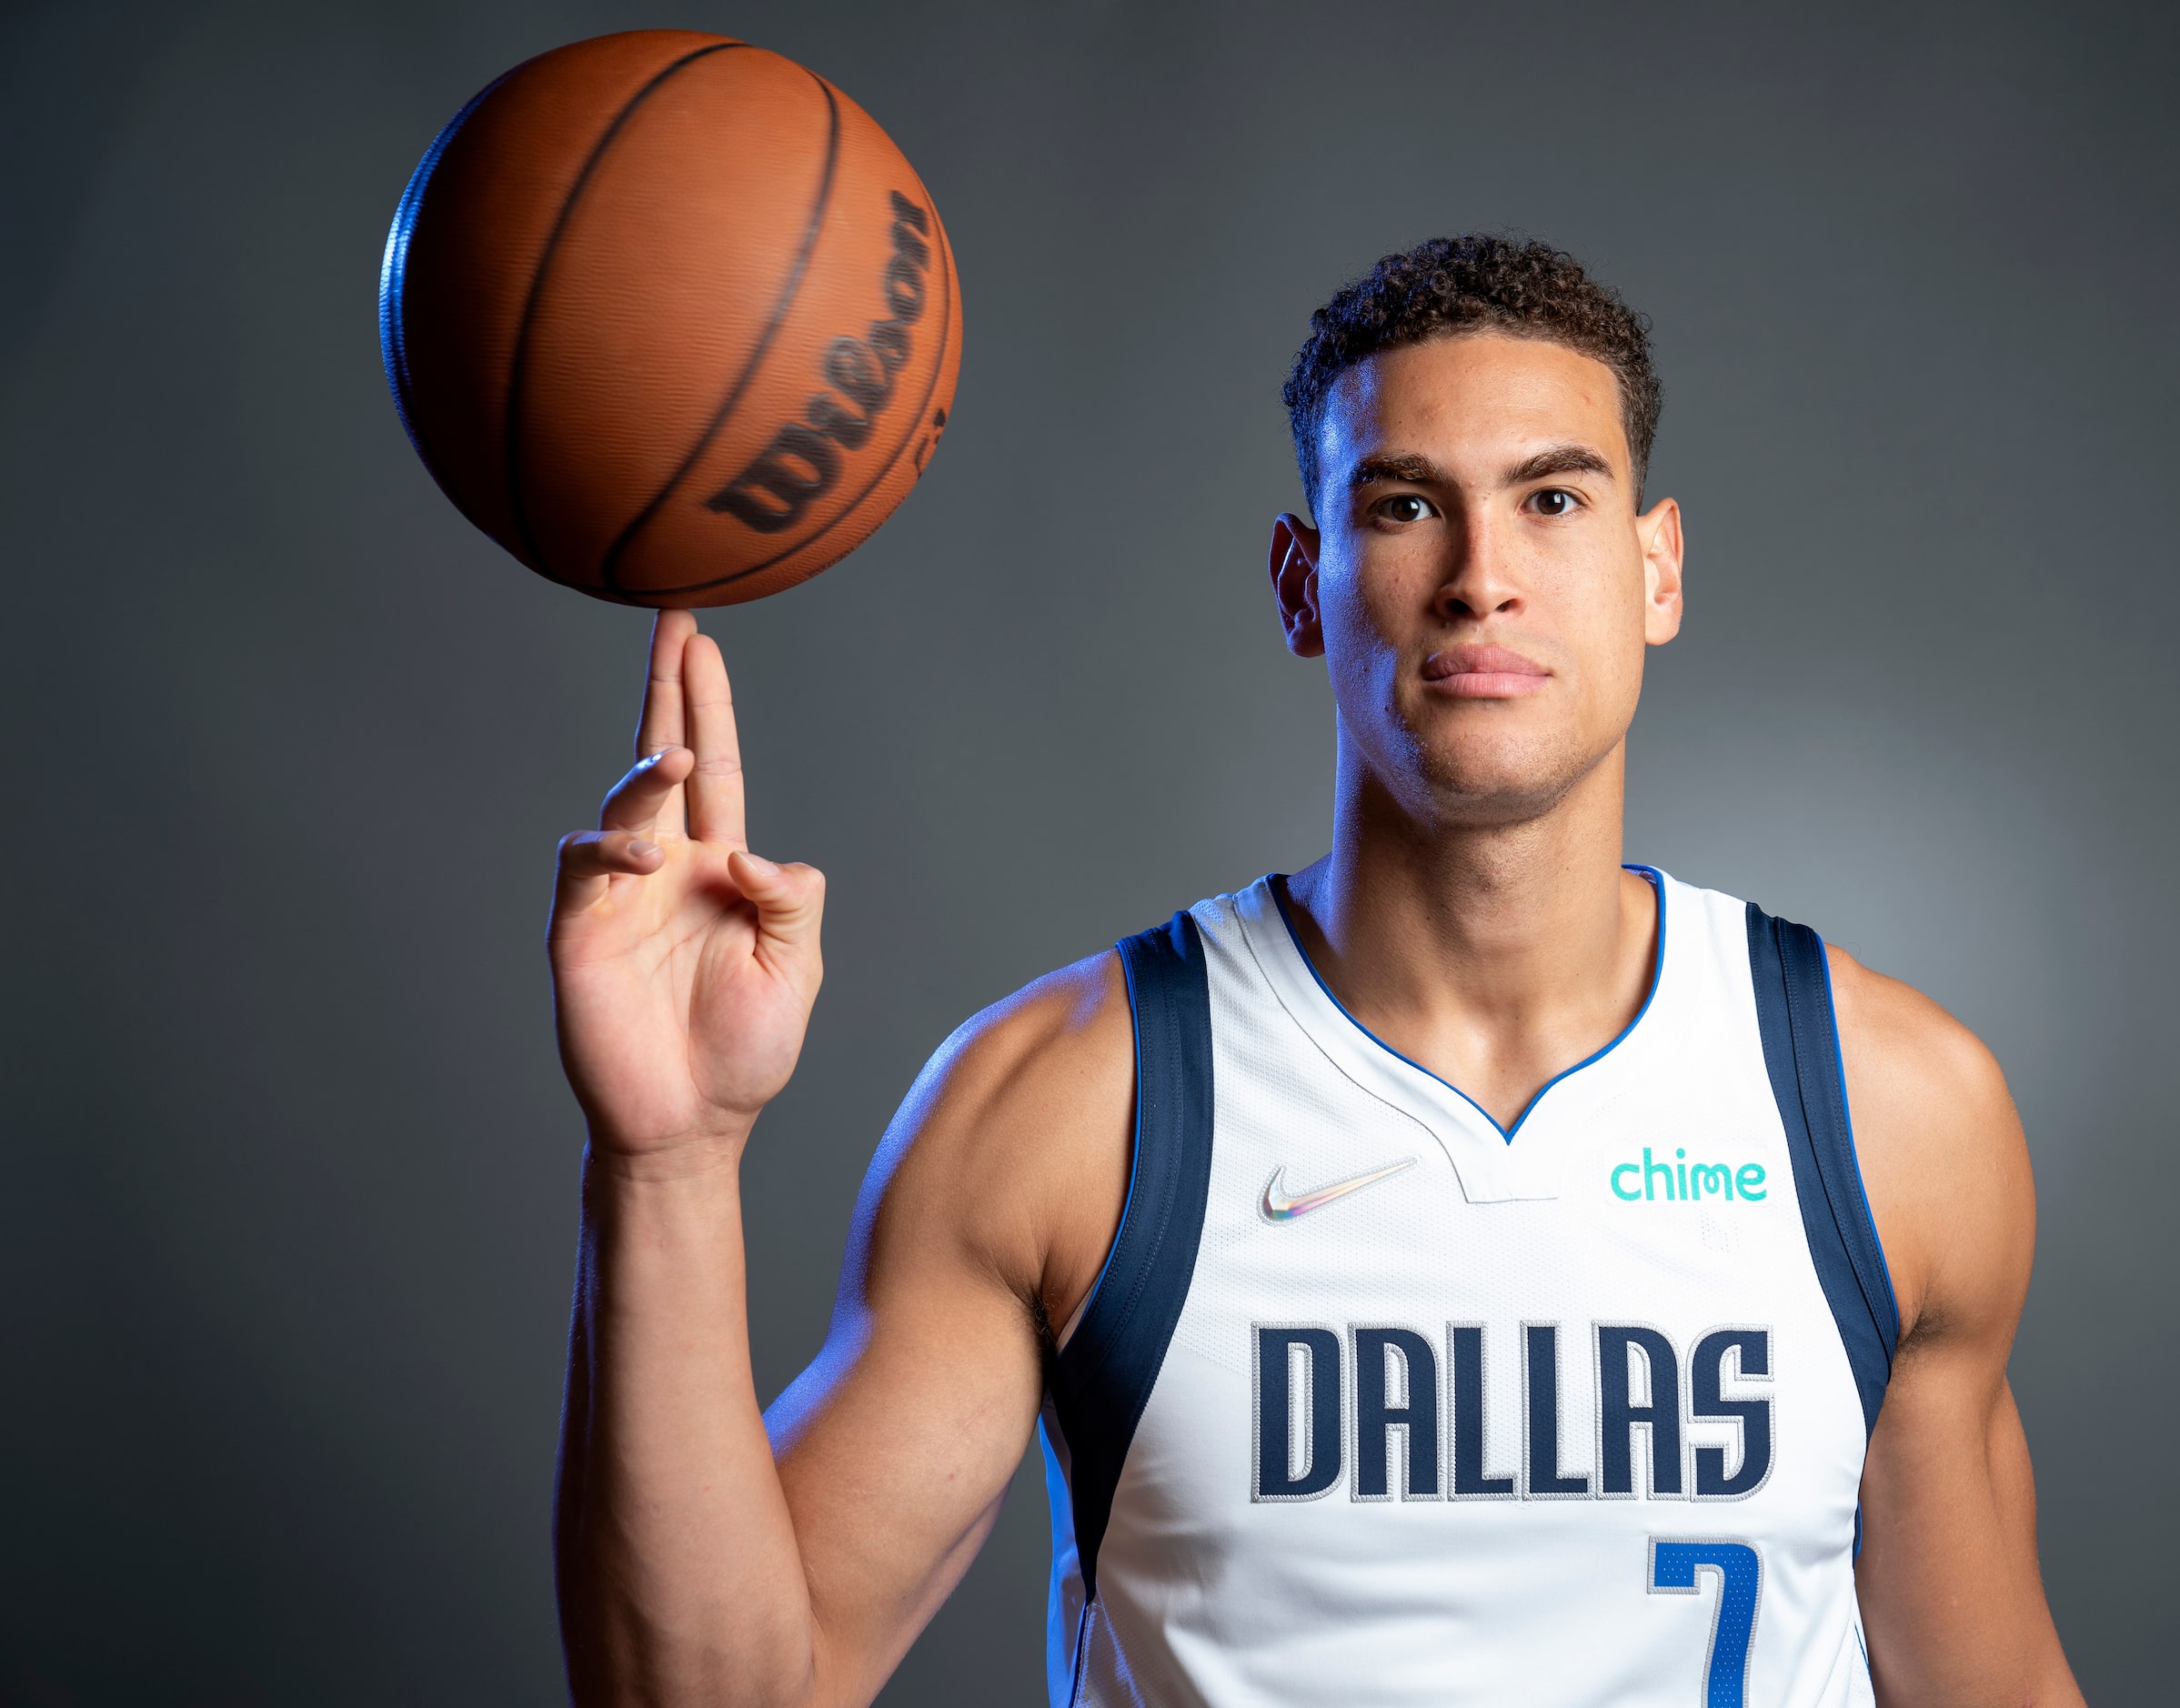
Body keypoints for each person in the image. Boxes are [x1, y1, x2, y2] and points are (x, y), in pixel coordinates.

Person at [548, 235, 2085, 1707]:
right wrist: (667, 1162)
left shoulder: (1883, 1108)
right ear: (1303, 580)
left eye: (1552, 498)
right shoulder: (1080, 1103)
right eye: (1406, 504)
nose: (1481, 574)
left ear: (1656, 568)